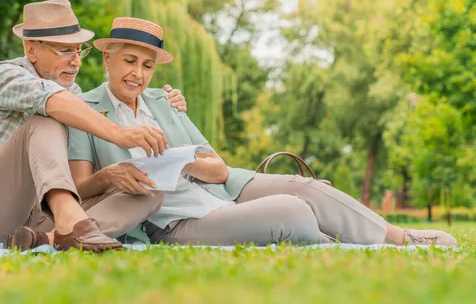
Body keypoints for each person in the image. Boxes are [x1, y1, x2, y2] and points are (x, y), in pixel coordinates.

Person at [66, 17, 458, 247]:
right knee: (292, 209)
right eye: (129, 61)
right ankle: (341, 244)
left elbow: (217, 168)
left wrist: (182, 162)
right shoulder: (86, 110)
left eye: (147, 65)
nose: (137, 73)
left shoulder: (163, 102)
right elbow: (80, 188)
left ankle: (401, 238)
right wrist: (112, 175)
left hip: (217, 190)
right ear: (108, 58)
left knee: (305, 187)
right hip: (170, 219)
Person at [0, 0, 188, 252]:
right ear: (31, 50)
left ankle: (49, 239)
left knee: (148, 191)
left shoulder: (73, 92)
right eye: (65, 50)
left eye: (79, 50)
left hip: (40, 217)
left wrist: (165, 101)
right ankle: (70, 224)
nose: (76, 61)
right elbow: (52, 101)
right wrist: (120, 134)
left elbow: (77, 168)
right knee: (46, 118)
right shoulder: (4, 75)